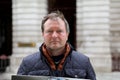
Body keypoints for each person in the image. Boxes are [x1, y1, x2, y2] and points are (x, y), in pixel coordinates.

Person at [17, 11, 96, 80]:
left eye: (59, 31)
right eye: (50, 31)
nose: (54, 35)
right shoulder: (27, 63)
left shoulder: (84, 62)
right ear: (43, 34)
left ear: (67, 35)